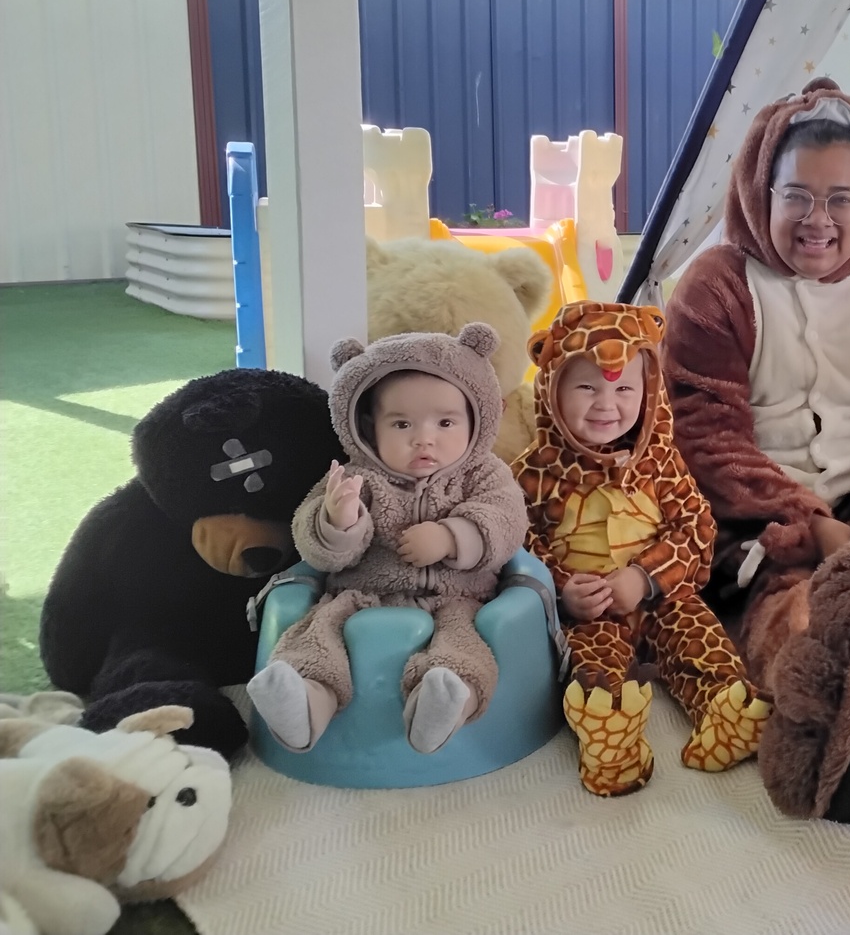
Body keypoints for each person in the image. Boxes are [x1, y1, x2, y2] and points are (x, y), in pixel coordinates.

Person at [660, 78, 850, 685]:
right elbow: (705, 435)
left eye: (840, 199)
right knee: (802, 630)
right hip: (762, 524)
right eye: (797, 196)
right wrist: (814, 526)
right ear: (764, 191)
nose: (818, 220)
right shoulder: (717, 285)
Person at [513, 301, 768, 797]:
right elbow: (517, 542)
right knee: (591, 668)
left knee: (700, 639)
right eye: (587, 387)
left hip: (663, 598)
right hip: (590, 612)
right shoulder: (532, 473)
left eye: (624, 389)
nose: (606, 404)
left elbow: (695, 525)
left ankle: (725, 709)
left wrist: (645, 576)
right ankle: (610, 738)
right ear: (550, 389)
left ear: (649, 392)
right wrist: (563, 591)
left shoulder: (660, 462)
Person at [247, 324, 525, 754]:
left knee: (465, 649)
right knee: (316, 635)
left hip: (460, 599)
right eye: (401, 424)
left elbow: (508, 520)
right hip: (361, 597)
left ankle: (444, 705)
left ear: (476, 420)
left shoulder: (484, 474)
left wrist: (453, 537)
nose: (424, 438)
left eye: (445, 422)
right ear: (367, 428)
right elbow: (315, 548)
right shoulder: (354, 477)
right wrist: (338, 521)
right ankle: (303, 702)